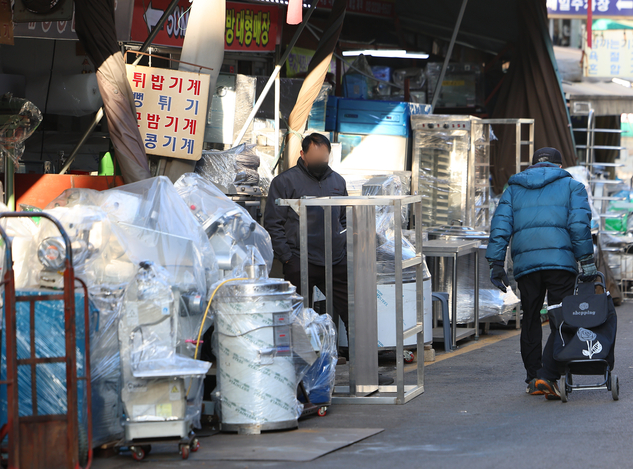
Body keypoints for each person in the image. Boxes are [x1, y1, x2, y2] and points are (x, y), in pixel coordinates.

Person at [486, 147, 597, 400]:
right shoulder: (572, 187)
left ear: (533, 165)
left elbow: (500, 227)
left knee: (531, 318)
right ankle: (548, 374)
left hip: (527, 266)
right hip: (560, 264)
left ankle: (532, 377)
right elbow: (579, 226)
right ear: (559, 166)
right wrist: (586, 260)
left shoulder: (513, 188)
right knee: (562, 318)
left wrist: (495, 263)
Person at [264, 133, 349, 328]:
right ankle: (303, 356)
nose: (320, 161)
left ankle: (359, 353)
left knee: (352, 310)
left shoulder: (338, 182)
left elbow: (343, 218)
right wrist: (287, 257)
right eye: (315, 157)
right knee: (298, 316)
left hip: (335, 260)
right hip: (300, 259)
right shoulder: (284, 182)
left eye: (324, 157)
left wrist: (342, 247)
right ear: (303, 154)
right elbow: (273, 223)